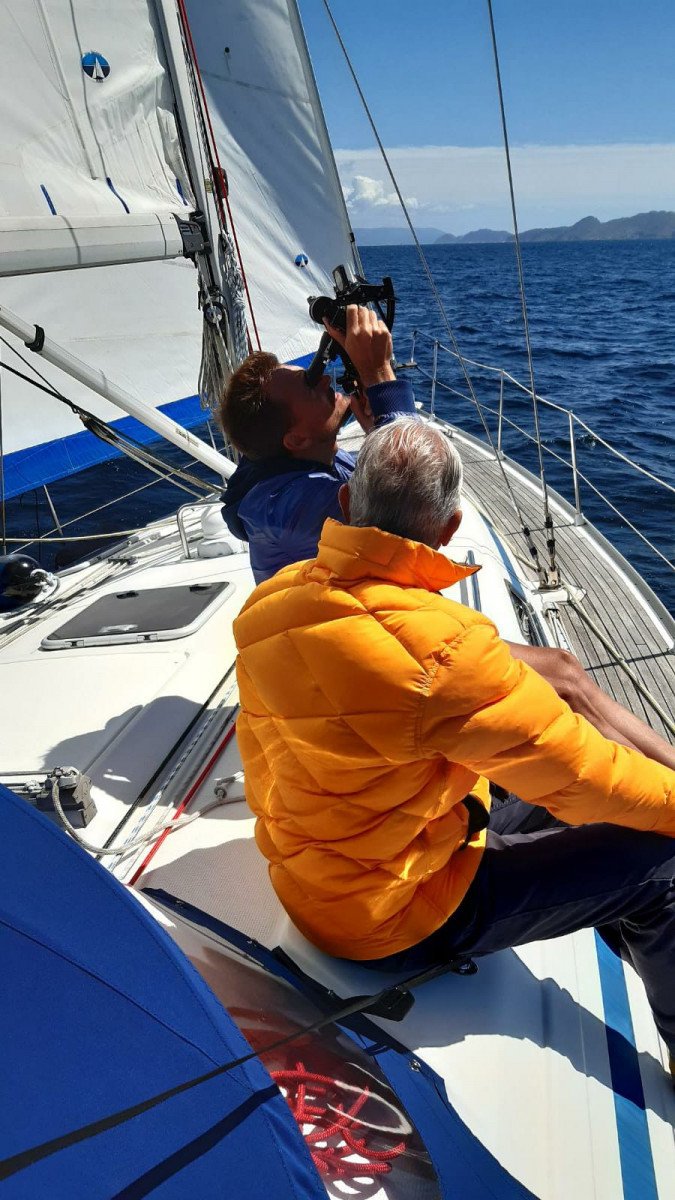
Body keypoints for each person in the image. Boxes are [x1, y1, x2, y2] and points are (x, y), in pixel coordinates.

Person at [234, 417, 675, 1079]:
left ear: (348, 504)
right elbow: (588, 777)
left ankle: (610, 913)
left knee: (601, 809)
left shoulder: (273, 604)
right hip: (394, 920)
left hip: (318, 880)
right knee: (661, 859)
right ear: (448, 529)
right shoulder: (447, 650)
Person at [219, 306, 416, 584]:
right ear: (297, 439)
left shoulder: (323, 459)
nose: (323, 379)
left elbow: (388, 485)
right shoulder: (283, 507)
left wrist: (376, 431)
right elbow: (414, 506)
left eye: (310, 373)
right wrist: (378, 373)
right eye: (308, 385)